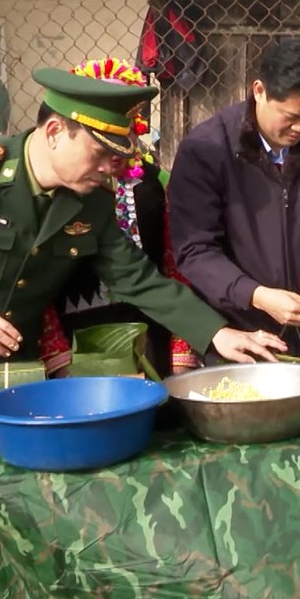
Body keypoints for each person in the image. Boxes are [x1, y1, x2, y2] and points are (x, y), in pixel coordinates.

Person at [0, 67, 285, 599]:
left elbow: (139, 279)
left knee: (3, 512)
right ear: (56, 132)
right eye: (104, 152)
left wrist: (218, 332)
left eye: (119, 155)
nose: (116, 167)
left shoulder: (88, 200)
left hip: (6, 388)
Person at [169, 38, 300, 356]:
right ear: (259, 90)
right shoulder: (206, 149)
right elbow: (195, 250)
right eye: (290, 116)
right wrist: (258, 295)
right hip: (238, 330)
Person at [37, 59, 197, 377]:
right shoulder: (56, 187)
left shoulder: (154, 184)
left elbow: (173, 268)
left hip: (150, 336)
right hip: (75, 342)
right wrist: (57, 358)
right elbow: (36, 285)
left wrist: (183, 351)